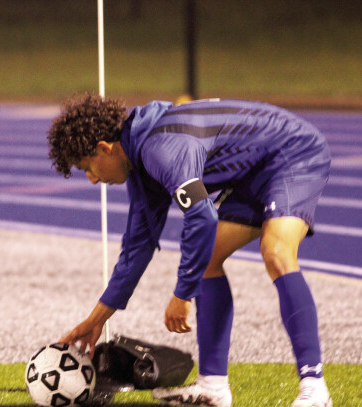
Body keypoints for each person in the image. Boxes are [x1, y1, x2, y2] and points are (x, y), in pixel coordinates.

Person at [47, 93, 332, 407]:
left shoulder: (161, 148)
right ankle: (213, 387)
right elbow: (136, 248)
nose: (91, 179)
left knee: (276, 250)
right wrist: (96, 320)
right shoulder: (140, 162)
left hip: (294, 151)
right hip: (255, 171)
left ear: (104, 148)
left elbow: (201, 216)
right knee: (208, 258)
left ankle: (314, 390)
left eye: (88, 167)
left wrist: (183, 293)